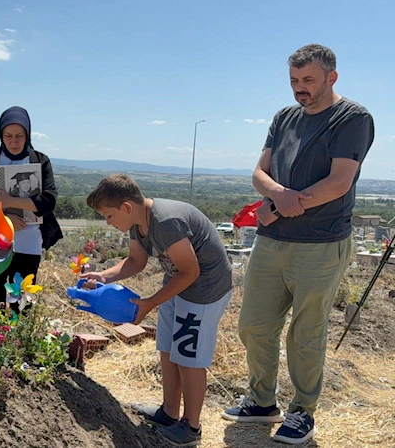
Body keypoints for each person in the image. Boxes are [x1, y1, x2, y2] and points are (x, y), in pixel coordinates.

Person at [221, 44, 374, 445]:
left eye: (308, 80)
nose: (299, 88)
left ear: (331, 77)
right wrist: (274, 198)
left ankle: (303, 412)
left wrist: (286, 203)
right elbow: (259, 172)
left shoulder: (353, 118)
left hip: (320, 244)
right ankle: (261, 402)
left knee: (306, 334)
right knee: (254, 325)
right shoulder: (284, 117)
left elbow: (340, 181)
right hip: (272, 241)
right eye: (293, 80)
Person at [81, 174, 232, 447]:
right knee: (167, 348)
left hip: (203, 288)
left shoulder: (166, 221)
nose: (108, 223)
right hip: (178, 283)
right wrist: (104, 276)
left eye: (109, 216)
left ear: (127, 207)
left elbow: (191, 270)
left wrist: (152, 302)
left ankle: (191, 427)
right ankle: (169, 414)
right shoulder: (138, 222)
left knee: (188, 356)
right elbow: (136, 261)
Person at [0, 106, 62, 311]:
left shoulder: (40, 161)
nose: (14, 141)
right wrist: (6, 220)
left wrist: (9, 201)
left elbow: (48, 200)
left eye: (19, 135)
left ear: (28, 134)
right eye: (8, 135)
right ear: (0, 135)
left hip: (28, 241)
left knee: (23, 301)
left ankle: (21, 342)